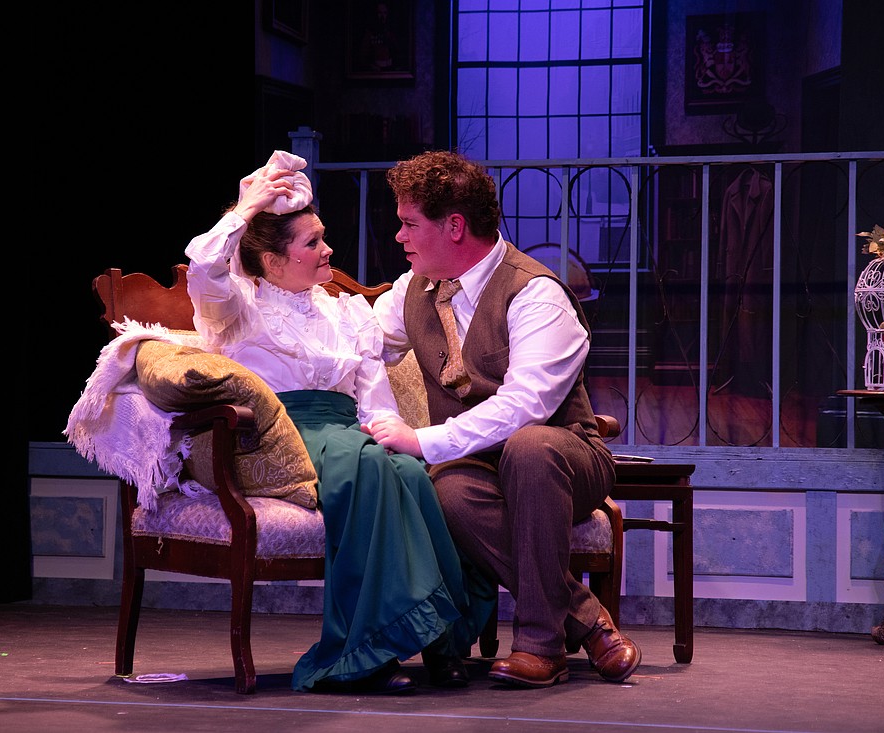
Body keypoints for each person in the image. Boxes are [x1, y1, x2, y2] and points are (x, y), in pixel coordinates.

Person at [183, 150, 490, 695]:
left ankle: (441, 640)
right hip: (278, 432)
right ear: (274, 261)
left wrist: (390, 431)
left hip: (345, 431)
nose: (328, 249)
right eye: (312, 243)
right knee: (364, 465)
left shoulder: (346, 311)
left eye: (323, 237)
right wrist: (246, 209)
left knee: (408, 472)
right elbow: (204, 267)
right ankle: (366, 650)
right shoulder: (237, 309)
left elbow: (371, 394)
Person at [365, 150, 642, 688]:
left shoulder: (536, 294)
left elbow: (525, 406)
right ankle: (587, 620)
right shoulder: (410, 291)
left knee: (530, 447)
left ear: (454, 226)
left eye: (409, 224)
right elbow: (359, 349)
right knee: (447, 494)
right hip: (477, 465)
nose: (399, 237)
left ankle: (541, 646)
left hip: (564, 458)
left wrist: (422, 439)